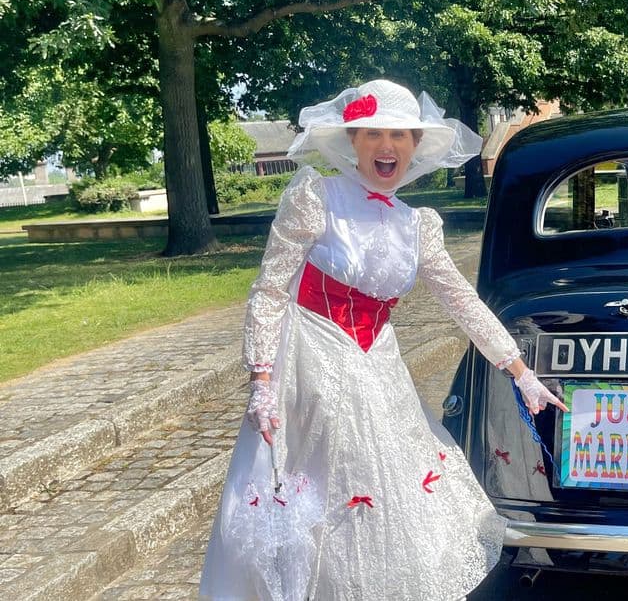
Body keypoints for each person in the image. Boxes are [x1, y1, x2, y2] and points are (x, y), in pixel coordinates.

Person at [199, 79, 566, 600]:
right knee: (326, 494)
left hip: (378, 365)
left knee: (391, 492)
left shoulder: (418, 225)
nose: (386, 146)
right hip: (312, 361)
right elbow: (269, 291)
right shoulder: (315, 198)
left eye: (398, 134)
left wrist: (520, 372)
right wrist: (261, 377)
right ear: (353, 141)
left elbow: (462, 300)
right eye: (372, 134)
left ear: (416, 144)